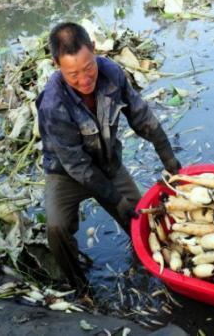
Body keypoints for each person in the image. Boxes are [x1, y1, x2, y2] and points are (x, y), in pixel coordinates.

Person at [36, 22, 182, 299]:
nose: (84, 79)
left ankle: (155, 268)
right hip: (65, 173)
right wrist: (115, 199)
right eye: (73, 74)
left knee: (143, 220)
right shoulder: (53, 103)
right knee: (56, 228)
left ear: (93, 48)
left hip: (107, 162)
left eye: (88, 68)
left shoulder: (112, 73)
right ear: (57, 65)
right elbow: (77, 165)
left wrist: (168, 157)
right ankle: (79, 286)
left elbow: (141, 117)